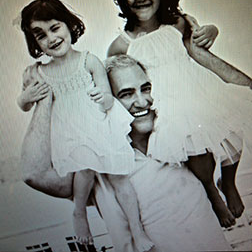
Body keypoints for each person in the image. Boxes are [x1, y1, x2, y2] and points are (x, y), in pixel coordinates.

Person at [20, 55, 233, 251]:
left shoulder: (180, 144)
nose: (142, 101)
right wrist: (44, 98)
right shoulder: (99, 167)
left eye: (146, 88)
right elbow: (34, 173)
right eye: (126, 94)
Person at [107, 0, 252, 228]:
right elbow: (118, 76)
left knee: (233, 129)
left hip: (198, 89)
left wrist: (212, 30)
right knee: (196, 150)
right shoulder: (122, 44)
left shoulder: (177, 22)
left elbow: (201, 35)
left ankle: (229, 181)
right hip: (167, 101)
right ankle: (211, 191)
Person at [17, 0, 154, 252]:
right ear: (35, 43)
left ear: (69, 25)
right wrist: (26, 97)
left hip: (98, 126)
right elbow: (24, 104)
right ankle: (79, 213)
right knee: (85, 166)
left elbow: (106, 97)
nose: (51, 38)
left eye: (55, 28)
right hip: (72, 133)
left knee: (120, 180)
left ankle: (138, 230)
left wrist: (102, 97)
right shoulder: (40, 72)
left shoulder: (88, 61)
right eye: (41, 35)